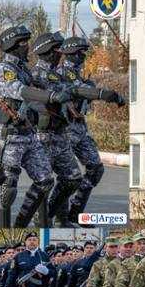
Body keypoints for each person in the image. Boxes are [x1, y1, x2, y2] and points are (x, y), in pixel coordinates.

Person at [0, 25, 57, 227]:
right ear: (13, 45)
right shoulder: (3, 70)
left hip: (28, 134)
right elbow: (21, 91)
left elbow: (41, 87)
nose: (28, 47)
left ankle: (20, 225)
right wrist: (50, 96)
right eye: (23, 43)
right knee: (7, 189)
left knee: (45, 181)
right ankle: (4, 232)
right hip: (9, 137)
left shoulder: (23, 69)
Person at [57, 36, 126, 222]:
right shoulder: (62, 72)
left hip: (80, 128)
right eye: (81, 52)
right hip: (65, 129)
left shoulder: (80, 73)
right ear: (71, 53)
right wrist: (106, 95)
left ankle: (75, 212)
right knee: (67, 176)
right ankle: (58, 216)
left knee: (95, 169)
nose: (84, 56)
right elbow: (78, 90)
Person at [29, 32, 83, 227]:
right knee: (45, 180)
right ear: (47, 51)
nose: (61, 54)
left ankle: (53, 214)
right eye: (57, 50)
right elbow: (32, 102)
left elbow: (73, 93)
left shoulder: (59, 74)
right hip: (42, 134)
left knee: (72, 177)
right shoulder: (34, 74)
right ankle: (43, 219)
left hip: (60, 133)